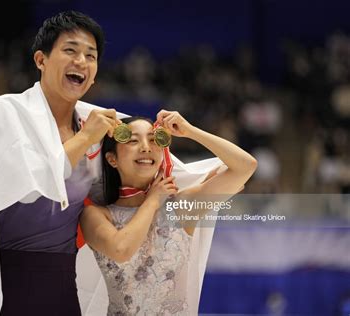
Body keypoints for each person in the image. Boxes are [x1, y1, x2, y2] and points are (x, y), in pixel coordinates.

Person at [0, 11, 122, 315]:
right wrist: (85, 138)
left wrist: (189, 135)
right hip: (8, 282)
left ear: (94, 74)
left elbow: (160, 173)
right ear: (41, 60)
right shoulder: (4, 113)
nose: (81, 61)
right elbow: (31, 188)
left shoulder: (95, 123)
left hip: (64, 283)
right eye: (70, 50)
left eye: (90, 56)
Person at [79, 112, 257, 315]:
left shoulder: (180, 207)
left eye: (154, 140)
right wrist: (153, 200)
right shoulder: (94, 215)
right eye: (133, 140)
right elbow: (122, 250)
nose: (146, 147)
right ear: (112, 159)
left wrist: (190, 131)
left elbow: (246, 167)